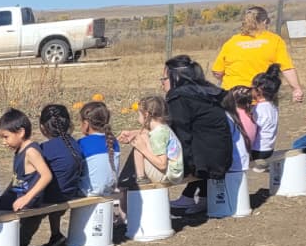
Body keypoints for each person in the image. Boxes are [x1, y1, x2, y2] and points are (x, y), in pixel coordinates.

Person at [164, 55, 233, 213]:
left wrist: (185, 167)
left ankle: (132, 204)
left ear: (175, 77)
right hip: (222, 154)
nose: (162, 83)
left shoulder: (179, 97)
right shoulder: (207, 90)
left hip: (206, 163)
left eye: (164, 78)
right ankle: (198, 196)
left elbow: (182, 135)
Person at [209, 6, 304, 103]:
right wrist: (296, 89)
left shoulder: (232, 42)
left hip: (233, 99)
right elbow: (286, 68)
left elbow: (218, 71)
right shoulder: (274, 40)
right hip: (262, 99)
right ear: (265, 21)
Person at [34, 104, 85, 246]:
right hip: (70, 192)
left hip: (53, 196)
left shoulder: (44, 149)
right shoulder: (74, 144)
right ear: (69, 124)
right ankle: (55, 235)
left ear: (43, 128)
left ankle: (21, 243)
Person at [119, 95, 184, 186]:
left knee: (139, 140)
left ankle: (141, 178)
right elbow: (147, 133)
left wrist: (142, 149)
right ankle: (141, 177)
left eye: (139, 114)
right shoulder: (163, 128)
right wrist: (133, 133)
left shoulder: (158, 135)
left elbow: (162, 165)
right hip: (175, 174)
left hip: (166, 176)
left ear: (146, 115)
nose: (138, 118)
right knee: (141, 136)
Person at [76, 101, 119, 198]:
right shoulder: (113, 141)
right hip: (109, 191)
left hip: (87, 192)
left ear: (86, 124)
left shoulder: (82, 143)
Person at [250, 66, 282, 167]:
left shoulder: (258, 109)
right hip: (269, 148)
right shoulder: (273, 107)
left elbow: (252, 131)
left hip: (257, 150)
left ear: (258, 90)